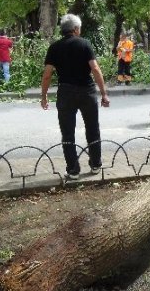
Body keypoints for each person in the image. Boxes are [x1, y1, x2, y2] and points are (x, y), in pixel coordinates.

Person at [41, 14, 110, 181]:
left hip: (65, 93)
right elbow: (95, 69)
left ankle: (73, 170)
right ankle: (95, 164)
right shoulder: (84, 44)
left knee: (67, 132)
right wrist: (103, 93)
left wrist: (43, 96)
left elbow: (47, 74)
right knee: (92, 128)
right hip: (87, 91)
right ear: (76, 29)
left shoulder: (54, 47)